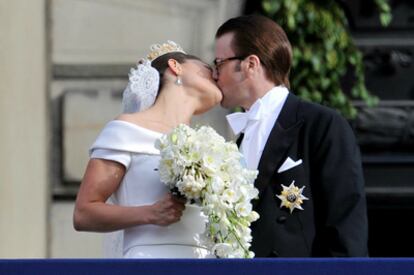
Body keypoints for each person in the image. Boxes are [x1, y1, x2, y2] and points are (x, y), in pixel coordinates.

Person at [213, 15, 368, 257]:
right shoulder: (241, 137)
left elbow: (346, 225)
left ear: (250, 65)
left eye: (219, 63)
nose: (214, 75)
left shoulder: (322, 124)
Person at [73, 41, 222, 258]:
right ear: (175, 66)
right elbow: (84, 212)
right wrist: (149, 214)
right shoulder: (126, 130)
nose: (216, 75)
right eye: (208, 68)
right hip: (150, 262)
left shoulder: (211, 147)